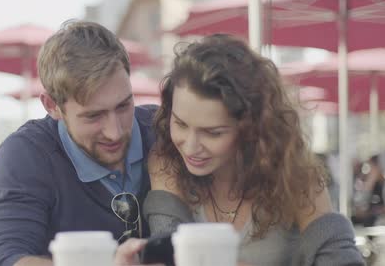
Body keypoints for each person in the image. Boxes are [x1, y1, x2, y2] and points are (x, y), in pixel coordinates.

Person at [115, 35, 363, 266]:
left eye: (213, 133)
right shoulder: (167, 161)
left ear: (251, 128)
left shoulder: (293, 175)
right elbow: (170, 253)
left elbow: (342, 260)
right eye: (180, 123)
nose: (190, 146)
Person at [0, 20, 158, 266]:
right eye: (93, 116)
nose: (114, 132)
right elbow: (4, 258)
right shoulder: (26, 155)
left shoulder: (165, 129)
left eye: (123, 106)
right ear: (52, 105)